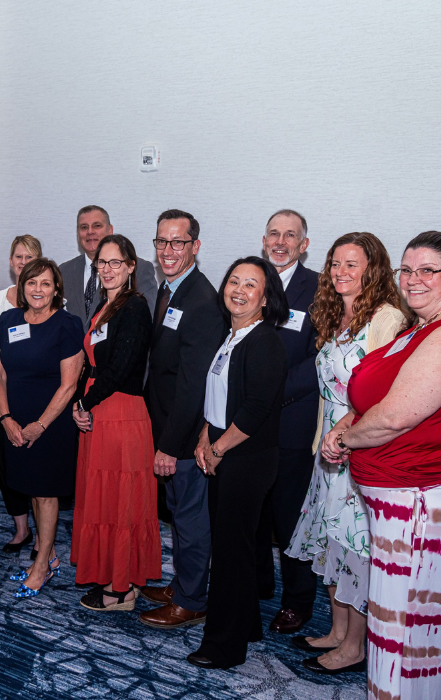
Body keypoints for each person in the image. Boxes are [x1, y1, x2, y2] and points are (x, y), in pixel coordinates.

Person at [323, 231, 441, 699]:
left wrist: (344, 438)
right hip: (405, 497)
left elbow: (396, 417)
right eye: (407, 270)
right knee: (423, 614)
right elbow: (380, 398)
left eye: (428, 270)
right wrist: (349, 423)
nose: (413, 279)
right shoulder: (422, 326)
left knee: (401, 628)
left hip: (423, 499)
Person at [284, 232, 405, 674]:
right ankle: (338, 632)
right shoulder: (336, 314)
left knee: (357, 548)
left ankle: (355, 646)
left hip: (361, 448)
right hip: (329, 451)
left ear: (373, 269)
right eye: (335, 263)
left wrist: (347, 434)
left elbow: (386, 393)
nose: (340, 272)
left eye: (351, 264)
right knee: (332, 544)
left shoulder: (387, 318)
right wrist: (325, 441)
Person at [187, 256, 289, 670]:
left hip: (247, 459)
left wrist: (217, 449)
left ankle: (223, 647)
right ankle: (246, 626)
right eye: (234, 281)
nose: (239, 290)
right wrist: (204, 436)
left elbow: (256, 409)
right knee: (236, 548)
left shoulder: (264, 341)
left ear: (265, 298)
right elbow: (218, 397)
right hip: (226, 452)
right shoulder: (231, 336)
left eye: (251, 285)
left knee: (230, 555)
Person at [137, 210, 226, 629]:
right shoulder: (169, 289)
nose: (167, 250)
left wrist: (170, 446)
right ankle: (183, 583)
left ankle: (192, 600)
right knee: (178, 513)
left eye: (177, 242)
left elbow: (193, 386)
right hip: (167, 425)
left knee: (190, 520)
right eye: (161, 241)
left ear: (195, 246)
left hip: (185, 436)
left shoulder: (202, 300)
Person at [71, 234, 160, 611]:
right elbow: (93, 365)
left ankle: (120, 588)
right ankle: (111, 575)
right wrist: (81, 401)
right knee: (104, 501)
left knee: (120, 503)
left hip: (120, 413)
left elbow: (122, 367)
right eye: (101, 263)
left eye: (115, 263)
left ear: (131, 266)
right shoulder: (103, 306)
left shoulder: (134, 306)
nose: (107, 270)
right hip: (100, 410)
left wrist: (85, 402)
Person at [0, 258, 84, 597]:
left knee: (45, 493)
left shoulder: (67, 324)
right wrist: (6, 419)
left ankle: (42, 565)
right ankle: (51, 555)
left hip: (51, 424)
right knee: (31, 489)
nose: (38, 289)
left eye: (45, 283)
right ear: (22, 286)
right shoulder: (9, 320)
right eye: (32, 282)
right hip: (14, 423)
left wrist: (39, 426)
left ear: (56, 289)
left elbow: (69, 385)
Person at [257, 209, 322, 634]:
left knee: (291, 517)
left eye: (290, 235)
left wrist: (269, 394)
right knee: (254, 511)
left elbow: (321, 357)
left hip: (291, 419)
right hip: (246, 422)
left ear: (304, 244)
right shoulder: (250, 279)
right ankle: (259, 583)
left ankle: (298, 600)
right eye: (274, 234)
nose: (280, 242)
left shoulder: (319, 287)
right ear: (264, 240)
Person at [0, 234, 42, 553]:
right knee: (9, 467)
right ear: (11, 262)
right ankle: (21, 530)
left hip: (38, 399)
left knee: (38, 470)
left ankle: (44, 534)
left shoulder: (53, 302)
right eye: (19, 257)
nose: (24, 262)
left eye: (30, 257)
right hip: (2, 398)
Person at [59, 205, 157, 324]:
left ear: (110, 230)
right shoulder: (64, 271)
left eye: (97, 226)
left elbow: (147, 318)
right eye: (84, 227)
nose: (90, 232)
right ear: (78, 233)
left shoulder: (139, 268)